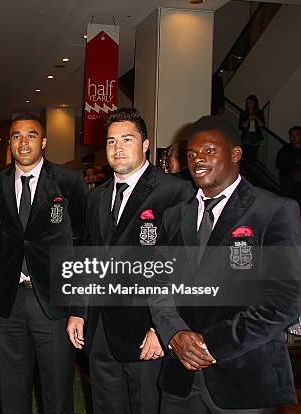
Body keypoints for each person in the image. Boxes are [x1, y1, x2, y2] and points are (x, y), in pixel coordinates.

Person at [149, 115, 301, 413]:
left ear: (235, 154)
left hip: (244, 381)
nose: (198, 160)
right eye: (191, 154)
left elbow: (284, 301)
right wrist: (175, 334)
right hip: (180, 380)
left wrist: (210, 344)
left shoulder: (274, 211)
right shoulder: (173, 216)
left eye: (208, 150)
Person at [67, 108, 193, 414]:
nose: (118, 148)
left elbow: (185, 266)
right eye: (111, 141)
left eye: (127, 139)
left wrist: (164, 329)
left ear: (146, 144)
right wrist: (78, 311)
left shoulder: (175, 192)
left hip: (146, 334)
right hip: (99, 332)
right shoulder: (96, 197)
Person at [0, 113, 87, 413]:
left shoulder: (69, 181)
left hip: (55, 303)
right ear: (10, 143)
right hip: (9, 301)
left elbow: (82, 245)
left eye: (31, 135)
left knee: (57, 392)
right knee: (12, 388)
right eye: (16, 136)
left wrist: (77, 309)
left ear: (43, 141)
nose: (24, 141)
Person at [276, 125, 301, 203]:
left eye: (296, 135)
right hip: (288, 182)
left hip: (298, 183)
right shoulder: (285, 150)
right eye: (292, 136)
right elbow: (279, 165)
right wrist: (296, 167)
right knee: (287, 203)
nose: (294, 138)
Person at [238, 94, 265, 166]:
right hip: (247, 135)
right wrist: (248, 120)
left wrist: (256, 118)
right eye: (247, 102)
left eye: (250, 102)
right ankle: (247, 170)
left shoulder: (259, 113)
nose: (248, 104)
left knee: (253, 155)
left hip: (255, 136)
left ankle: (251, 170)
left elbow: (262, 125)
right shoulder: (244, 113)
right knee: (246, 155)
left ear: (254, 103)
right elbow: (241, 126)